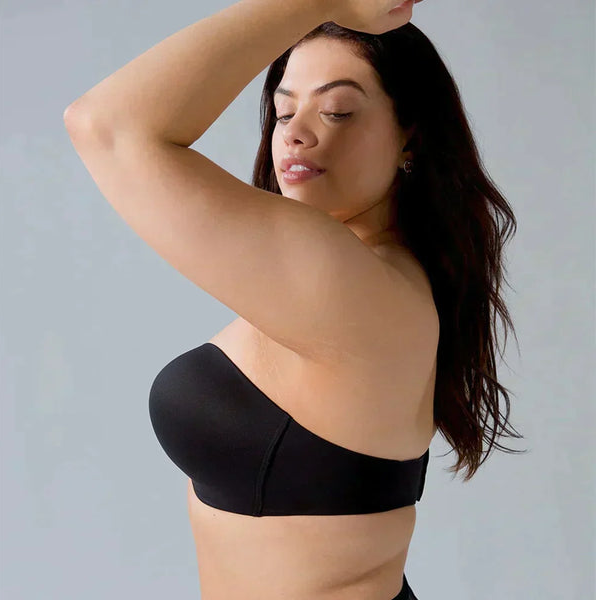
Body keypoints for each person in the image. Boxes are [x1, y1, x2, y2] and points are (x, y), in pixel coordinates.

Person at [65, 0, 526, 598]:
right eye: (283, 111)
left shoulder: (353, 285)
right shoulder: (378, 273)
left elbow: (108, 126)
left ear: (410, 135)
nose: (296, 133)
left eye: (337, 111)